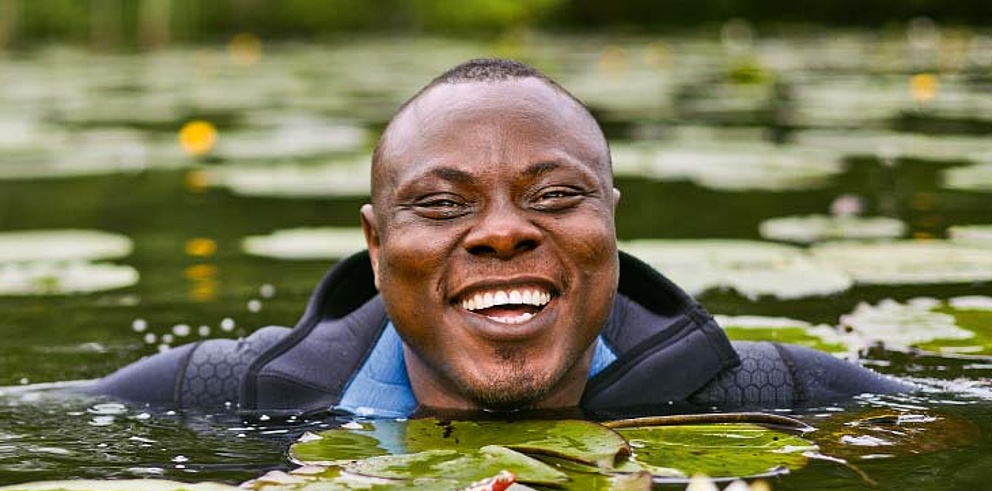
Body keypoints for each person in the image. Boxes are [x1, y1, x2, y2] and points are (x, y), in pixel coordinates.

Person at [84, 58, 909, 418]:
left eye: (555, 196)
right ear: (375, 246)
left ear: (611, 220)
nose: (505, 232)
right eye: (443, 205)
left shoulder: (773, 393)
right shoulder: (223, 394)